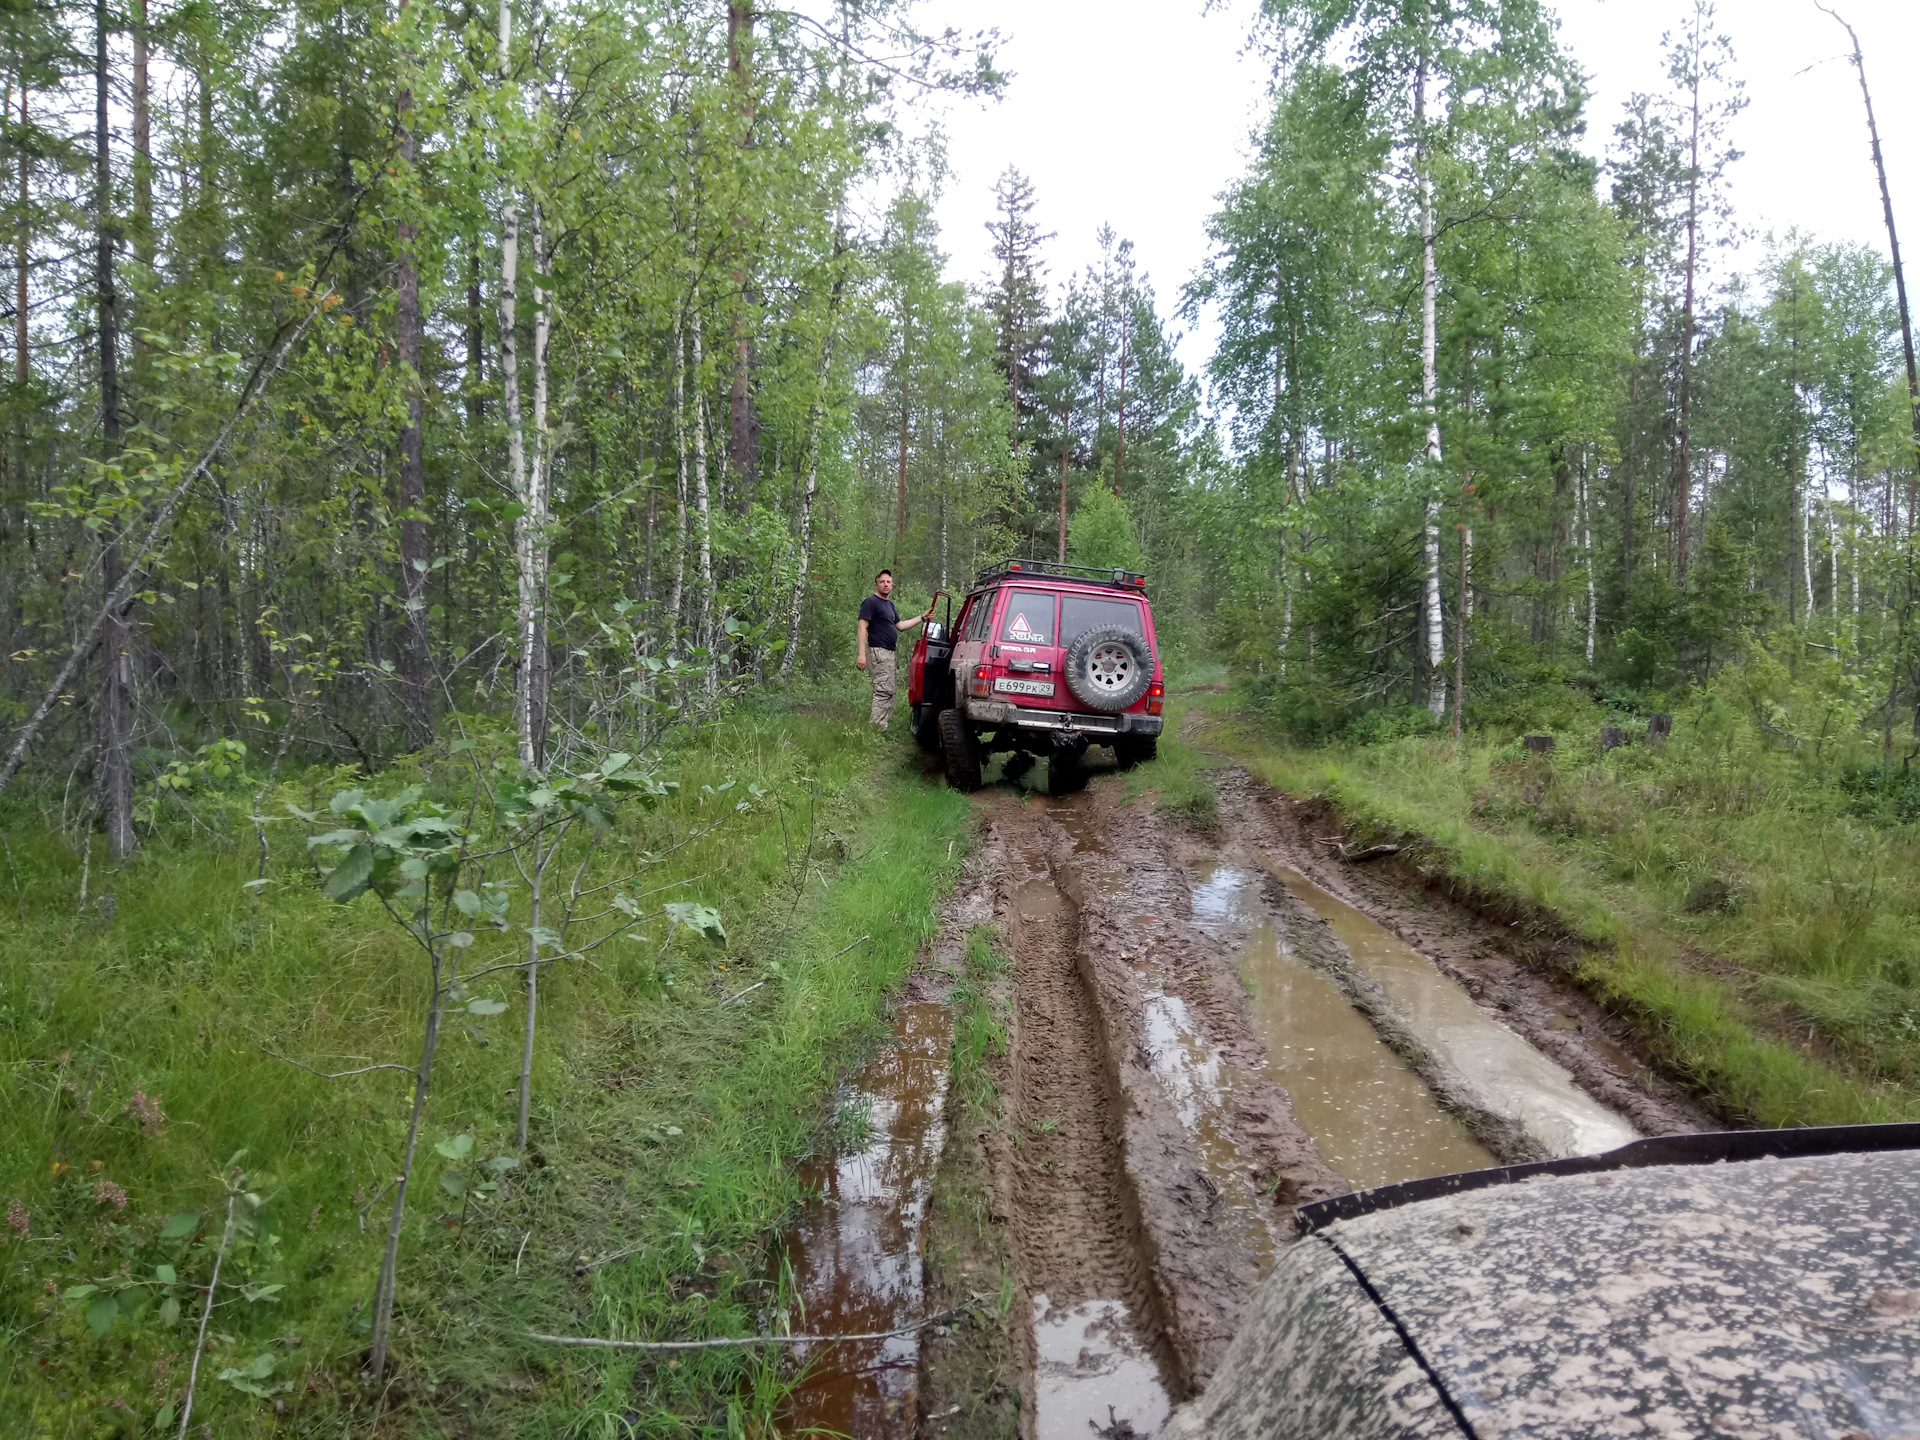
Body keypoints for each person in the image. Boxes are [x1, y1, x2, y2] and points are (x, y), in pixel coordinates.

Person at [856, 569, 932, 731]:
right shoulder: (871, 602)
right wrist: (862, 654)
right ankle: (875, 728)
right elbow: (862, 627)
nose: (886, 584)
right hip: (878, 651)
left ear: (892, 585)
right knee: (883, 690)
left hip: (890, 653)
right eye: (882, 582)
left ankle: (882, 728)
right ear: (876, 584)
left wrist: (922, 617)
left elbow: (900, 626)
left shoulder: (889, 605)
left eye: (888, 582)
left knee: (890, 691)